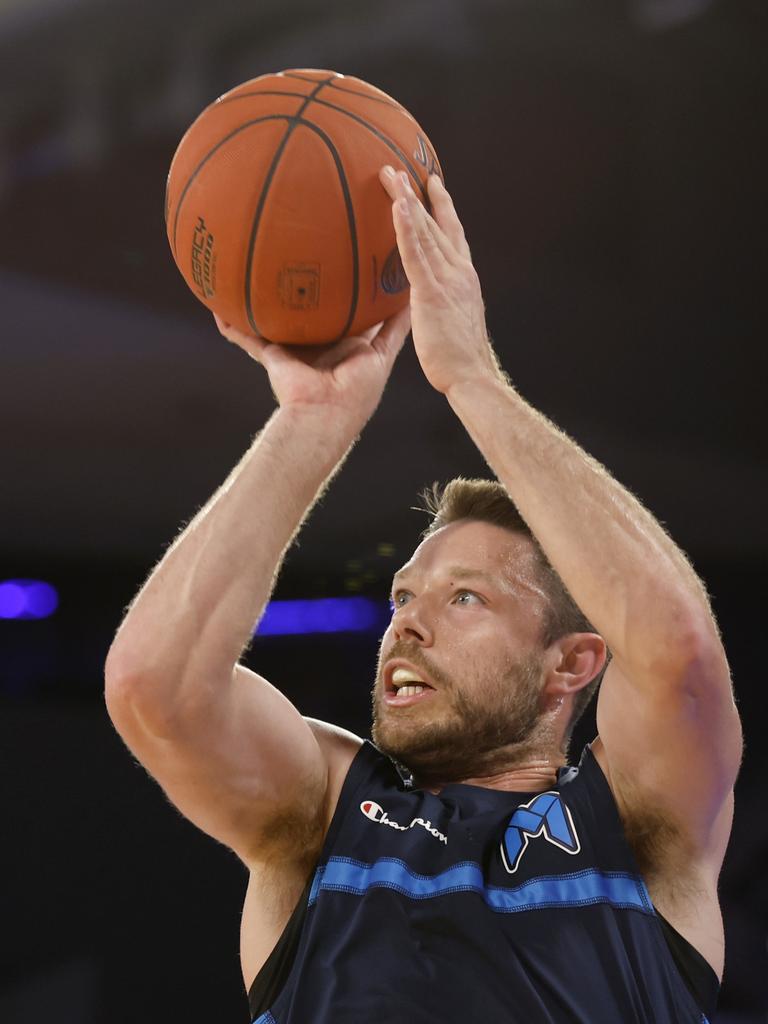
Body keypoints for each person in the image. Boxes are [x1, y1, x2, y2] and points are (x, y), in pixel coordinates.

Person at [104, 166, 741, 1023]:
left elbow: (680, 656)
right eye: (405, 597)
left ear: (572, 662)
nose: (408, 623)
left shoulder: (638, 822)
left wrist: (474, 379)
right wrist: (312, 421)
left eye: (465, 598)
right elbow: (155, 687)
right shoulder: (325, 807)